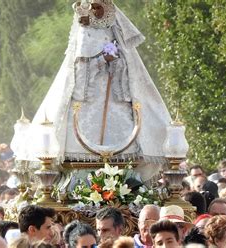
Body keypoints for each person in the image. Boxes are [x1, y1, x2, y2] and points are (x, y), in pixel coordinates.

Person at [23, 0, 172, 182]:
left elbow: (128, 68)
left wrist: (115, 60)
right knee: (75, 141)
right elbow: (80, 70)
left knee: (129, 140)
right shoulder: (85, 32)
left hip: (114, 98)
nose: (96, 10)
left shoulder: (113, 29)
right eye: (93, 6)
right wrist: (102, 59)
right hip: (87, 100)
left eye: (99, 6)